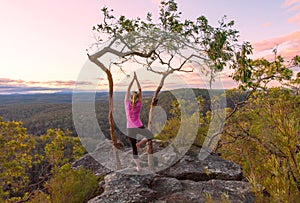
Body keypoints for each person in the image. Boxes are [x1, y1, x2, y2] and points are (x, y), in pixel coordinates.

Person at [124, 72, 154, 172]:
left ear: (130, 98)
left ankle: (138, 167)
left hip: (130, 128)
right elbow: (140, 90)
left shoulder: (127, 104)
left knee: (133, 149)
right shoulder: (139, 104)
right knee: (150, 136)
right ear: (137, 98)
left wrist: (132, 80)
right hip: (139, 126)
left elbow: (128, 90)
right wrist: (136, 80)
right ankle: (139, 144)